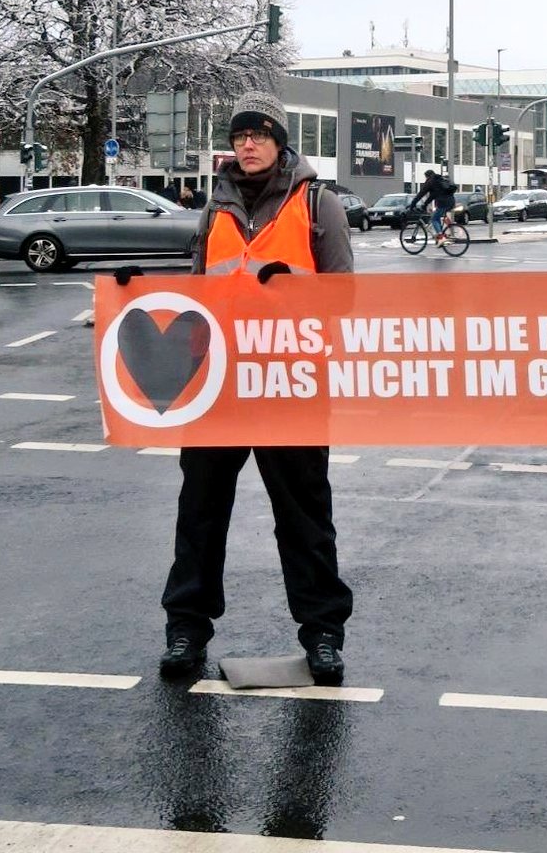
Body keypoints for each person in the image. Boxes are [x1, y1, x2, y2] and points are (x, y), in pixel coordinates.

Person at [159, 91, 354, 683]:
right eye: (240, 134)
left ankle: (322, 634)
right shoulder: (213, 209)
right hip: (217, 387)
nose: (247, 144)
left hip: (289, 386)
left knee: (305, 519)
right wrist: (133, 295)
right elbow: (196, 294)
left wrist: (289, 294)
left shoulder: (318, 204)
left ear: (280, 141)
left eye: (259, 134)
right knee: (199, 514)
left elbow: (342, 298)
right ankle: (186, 630)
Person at [409, 168, 457, 245]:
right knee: (437, 217)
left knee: (434, 219)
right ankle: (441, 236)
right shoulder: (440, 180)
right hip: (451, 202)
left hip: (443, 203)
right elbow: (432, 196)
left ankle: (441, 238)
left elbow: (421, 194)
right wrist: (425, 204)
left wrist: (412, 204)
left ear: (427, 176)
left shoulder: (430, 181)